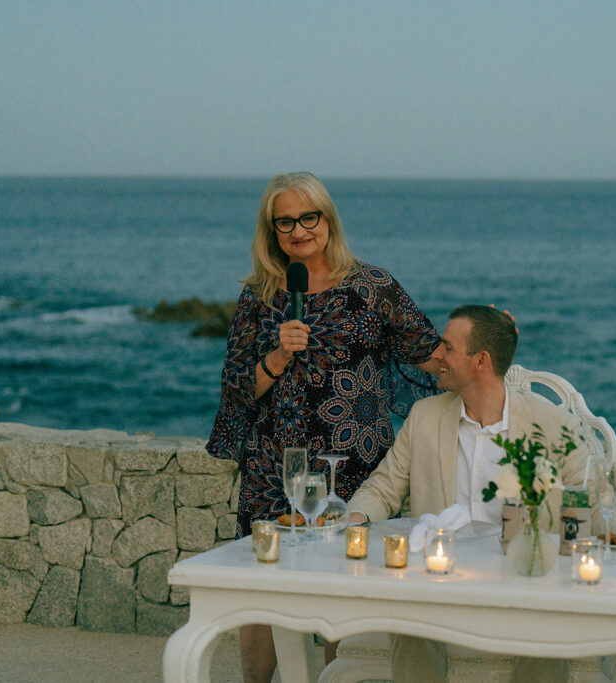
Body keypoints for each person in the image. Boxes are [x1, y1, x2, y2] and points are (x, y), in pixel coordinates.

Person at [205, 172, 440, 683]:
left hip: (351, 461)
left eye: (307, 217)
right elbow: (236, 391)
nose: (298, 230)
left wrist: (490, 341)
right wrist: (277, 355)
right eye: (284, 221)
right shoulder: (260, 297)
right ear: (272, 231)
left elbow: (428, 352)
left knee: (344, 588)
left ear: (327, 219)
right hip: (276, 466)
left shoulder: (374, 287)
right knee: (262, 588)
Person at [347, 304, 587, 683]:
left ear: (481, 361)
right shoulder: (425, 416)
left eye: (447, 347)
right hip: (440, 583)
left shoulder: (552, 426)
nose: (436, 356)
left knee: (545, 623)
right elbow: (383, 488)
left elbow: (585, 505)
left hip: (522, 583)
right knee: (408, 615)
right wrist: (352, 518)